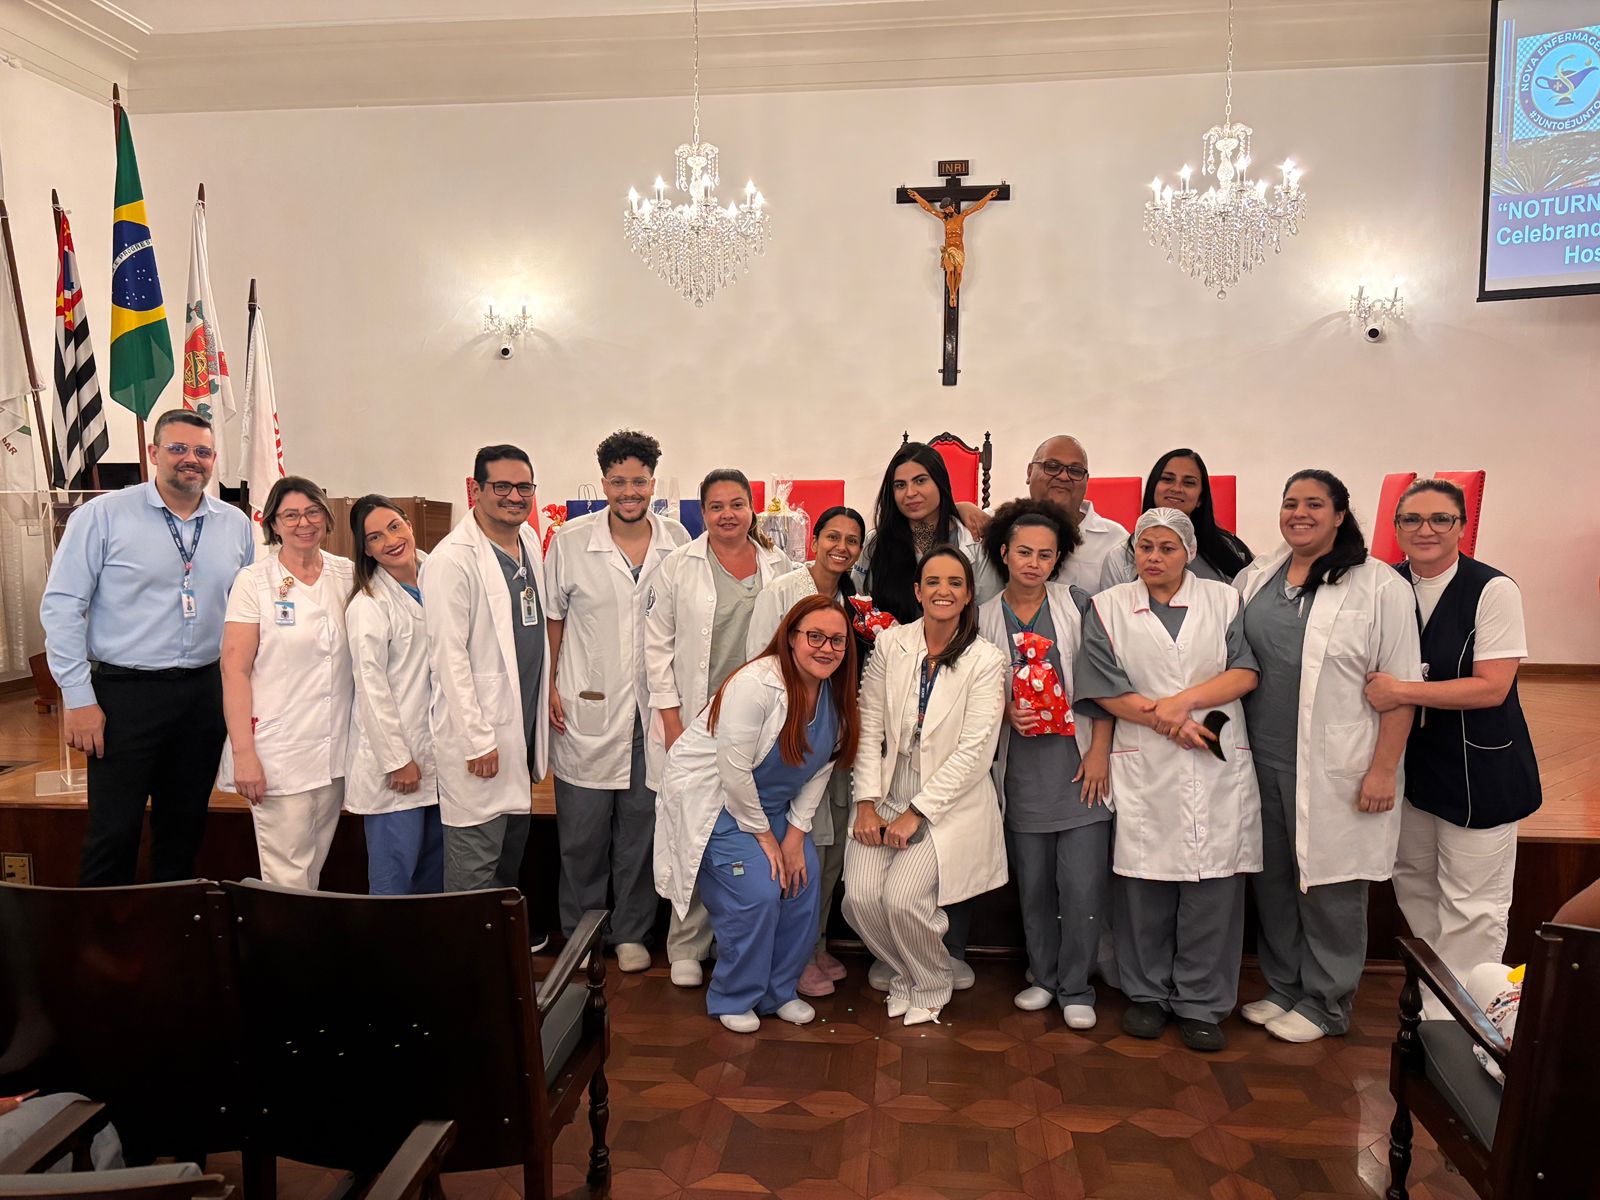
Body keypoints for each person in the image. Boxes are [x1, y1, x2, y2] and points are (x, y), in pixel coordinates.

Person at [1234, 469, 1422, 1043]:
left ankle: (1327, 1002)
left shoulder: (1379, 586)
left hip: (1338, 764)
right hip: (1261, 756)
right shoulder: (1258, 575)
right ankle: (1285, 986)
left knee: (1330, 885)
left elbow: (1401, 686)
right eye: (1290, 502)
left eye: (1315, 504)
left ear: (1340, 515)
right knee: (1274, 878)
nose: (1300, 513)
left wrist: (1383, 769)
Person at [41, 409, 254, 886]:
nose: (190, 459)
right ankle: (102, 931)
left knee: (184, 830)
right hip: (124, 697)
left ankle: (170, 926)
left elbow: (247, 611)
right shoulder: (102, 516)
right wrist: (78, 698)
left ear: (213, 459)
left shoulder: (234, 524)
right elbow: (62, 607)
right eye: (178, 448)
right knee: (114, 833)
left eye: (202, 451)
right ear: (154, 453)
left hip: (203, 695)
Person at [1076, 508, 1263, 1050]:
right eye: (1145, 547)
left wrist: (1183, 705)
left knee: (1215, 886)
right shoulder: (1108, 607)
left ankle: (1202, 1003)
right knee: (1143, 883)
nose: (1154, 557)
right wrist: (1167, 720)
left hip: (1215, 751)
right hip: (1147, 758)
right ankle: (1147, 995)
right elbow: (1101, 686)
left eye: (1167, 548)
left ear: (1189, 552)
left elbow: (1245, 672)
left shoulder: (1224, 599)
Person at [1364, 478, 1540, 1015]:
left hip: (1478, 768)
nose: (1427, 530)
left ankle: (1463, 1020)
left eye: (1441, 518)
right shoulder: (1385, 585)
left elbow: (1492, 688)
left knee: (1474, 903)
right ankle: (1438, 992)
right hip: (1411, 765)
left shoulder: (1493, 590)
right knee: (1414, 882)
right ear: (1396, 528)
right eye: (1412, 519)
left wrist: (1402, 691)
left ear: (1462, 527)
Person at [655, 594, 860, 1032]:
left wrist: (794, 836)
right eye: (815, 637)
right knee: (758, 893)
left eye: (837, 640)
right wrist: (767, 838)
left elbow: (820, 771)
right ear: (791, 637)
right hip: (722, 805)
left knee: (803, 884)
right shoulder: (756, 685)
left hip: (776, 809)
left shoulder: (835, 695)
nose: (826, 648)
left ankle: (778, 991)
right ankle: (734, 995)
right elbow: (733, 774)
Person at [844, 546, 1008, 1026]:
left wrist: (916, 812)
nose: (943, 591)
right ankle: (907, 973)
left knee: (903, 899)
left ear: (969, 594)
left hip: (946, 799)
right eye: (933, 581)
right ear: (917, 591)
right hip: (887, 787)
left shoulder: (986, 659)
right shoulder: (892, 644)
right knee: (859, 897)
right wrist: (866, 802)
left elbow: (975, 752)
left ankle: (932, 982)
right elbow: (868, 725)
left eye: (955, 583)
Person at [547, 430, 689, 974]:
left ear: (653, 482)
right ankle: (582, 934)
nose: (629, 491)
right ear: (603, 482)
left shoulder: (677, 540)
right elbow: (554, 621)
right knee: (581, 835)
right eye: (618, 481)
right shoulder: (570, 541)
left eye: (639, 481)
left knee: (640, 831)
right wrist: (550, 687)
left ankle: (631, 931)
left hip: (652, 712)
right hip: (586, 707)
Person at [860, 442, 1001, 986]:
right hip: (896, 678)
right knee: (880, 870)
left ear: (942, 484)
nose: (911, 492)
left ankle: (947, 949)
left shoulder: (972, 539)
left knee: (948, 843)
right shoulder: (880, 546)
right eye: (900, 484)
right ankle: (903, 949)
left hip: (959, 674)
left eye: (922, 480)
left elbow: (983, 606)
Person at [644, 468, 790, 986]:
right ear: (702, 512)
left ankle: (734, 944)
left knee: (739, 832)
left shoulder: (778, 564)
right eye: (715, 506)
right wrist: (671, 720)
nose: (727, 515)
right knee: (693, 830)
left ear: (752, 508)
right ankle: (685, 943)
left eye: (736, 504)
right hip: (694, 721)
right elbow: (656, 647)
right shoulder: (678, 565)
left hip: (756, 722)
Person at [977, 498, 1114, 1029]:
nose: (1033, 563)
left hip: (1079, 768)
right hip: (1021, 771)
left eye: (1045, 554)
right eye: (1024, 552)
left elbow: (1103, 682)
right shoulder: (983, 616)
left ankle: (1077, 986)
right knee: (1032, 885)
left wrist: (1099, 752)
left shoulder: (1076, 605)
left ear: (1058, 559)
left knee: (1081, 886)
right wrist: (1004, 710)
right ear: (1004, 554)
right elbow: (974, 693)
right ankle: (1043, 975)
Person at [423, 445, 551, 921]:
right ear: (476, 489)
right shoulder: (452, 561)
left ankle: (501, 957)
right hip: (481, 742)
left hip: (518, 736)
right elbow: (448, 657)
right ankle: (464, 961)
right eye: (502, 486)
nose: (515, 496)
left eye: (524, 487)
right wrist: (477, 739)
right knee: (473, 869)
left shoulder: (528, 542)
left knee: (507, 864)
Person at [746, 505, 868, 998]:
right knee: (801, 845)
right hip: (791, 734)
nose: (842, 547)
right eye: (833, 536)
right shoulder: (782, 591)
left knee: (830, 847)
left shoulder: (856, 599)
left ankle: (814, 944)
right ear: (814, 539)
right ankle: (790, 956)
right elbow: (758, 660)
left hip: (836, 734)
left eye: (852, 540)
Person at [220, 476, 355, 890]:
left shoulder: (346, 573)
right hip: (278, 750)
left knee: (314, 864)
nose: (304, 523)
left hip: (333, 748)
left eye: (313, 512)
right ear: (274, 523)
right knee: (286, 874)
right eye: (291, 515)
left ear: (326, 517)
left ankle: (304, 932)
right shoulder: (254, 581)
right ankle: (284, 934)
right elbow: (234, 670)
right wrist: (244, 754)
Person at [344, 495, 442, 896]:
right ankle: (388, 943)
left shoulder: (440, 575)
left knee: (435, 877)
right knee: (394, 880)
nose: (390, 540)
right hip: (397, 766)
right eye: (375, 537)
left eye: (394, 527)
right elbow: (370, 686)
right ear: (366, 549)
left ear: (409, 524)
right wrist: (397, 759)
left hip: (440, 755)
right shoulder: (368, 604)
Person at [1098, 449, 1253, 589]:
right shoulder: (1120, 558)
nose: (1177, 488)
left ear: (1201, 498)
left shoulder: (1230, 550)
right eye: (1167, 479)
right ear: (1153, 488)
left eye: (1189, 483)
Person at [1020, 434, 1129, 592]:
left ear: (1086, 481)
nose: (1064, 476)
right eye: (1052, 466)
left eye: (1075, 471)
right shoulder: (997, 525)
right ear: (1030, 472)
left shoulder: (1116, 540)